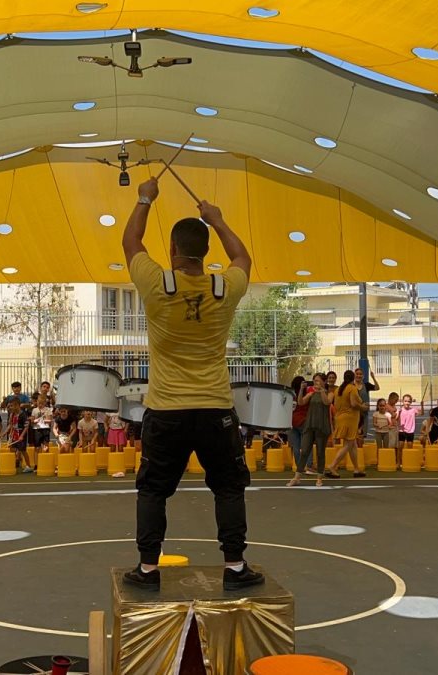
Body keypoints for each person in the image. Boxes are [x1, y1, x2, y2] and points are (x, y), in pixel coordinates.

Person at [121, 176, 261, 591]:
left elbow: (131, 242)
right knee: (229, 487)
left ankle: (148, 570)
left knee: (153, 490)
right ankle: (235, 567)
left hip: (166, 410)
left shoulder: (156, 284)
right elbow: (242, 257)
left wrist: (145, 197)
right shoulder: (224, 288)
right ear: (207, 251)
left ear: (172, 250)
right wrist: (216, 219)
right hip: (215, 409)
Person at [290, 373, 333, 487]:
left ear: (324, 382)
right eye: (314, 381)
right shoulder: (311, 393)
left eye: (318, 380)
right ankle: (297, 477)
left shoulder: (329, 393)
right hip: (310, 424)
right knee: (304, 450)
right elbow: (301, 402)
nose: (315, 383)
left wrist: (321, 390)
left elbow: (327, 402)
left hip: (322, 425)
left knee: (320, 452)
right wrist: (301, 390)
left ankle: (319, 478)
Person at [324, 370, 363, 479]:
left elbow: (335, 405)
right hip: (350, 419)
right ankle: (332, 466)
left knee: (353, 444)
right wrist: (363, 407)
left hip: (340, 418)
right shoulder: (352, 388)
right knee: (348, 445)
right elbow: (354, 403)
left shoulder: (338, 390)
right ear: (353, 378)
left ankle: (356, 469)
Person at [4, 397, 35, 473]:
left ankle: (28, 466)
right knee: (12, 449)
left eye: (11, 406)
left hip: (21, 434)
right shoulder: (12, 414)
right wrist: (4, 433)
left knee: (23, 450)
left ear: (17, 405)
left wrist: (22, 436)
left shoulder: (23, 415)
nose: (10, 408)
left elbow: (26, 426)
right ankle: (15, 461)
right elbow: (10, 425)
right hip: (14, 434)